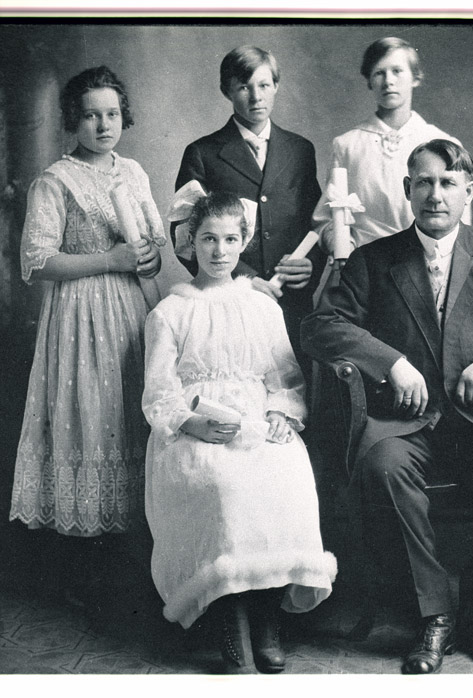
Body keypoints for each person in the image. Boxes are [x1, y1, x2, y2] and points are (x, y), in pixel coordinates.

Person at [302, 139, 473, 674]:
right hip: (407, 421)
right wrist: (390, 363)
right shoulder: (374, 259)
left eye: (448, 183)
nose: (435, 194)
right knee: (382, 467)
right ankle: (435, 614)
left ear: (468, 192)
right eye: (423, 182)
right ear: (407, 190)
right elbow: (322, 325)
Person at [142, 191, 337, 674]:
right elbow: (159, 392)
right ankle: (231, 620)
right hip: (195, 428)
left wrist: (281, 412)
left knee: (285, 472)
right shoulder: (172, 311)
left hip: (256, 420)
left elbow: (285, 376)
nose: (219, 251)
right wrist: (192, 421)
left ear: (244, 240)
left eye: (231, 239)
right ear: (190, 243)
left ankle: (267, 614)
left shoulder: (262, 306)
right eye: (208, 239)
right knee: (224, 486)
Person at [9, 65, 164, 598]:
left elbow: (149, 247)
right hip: (78, 318)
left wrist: (144, 260)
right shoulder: (55, 179)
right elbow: (37, 260)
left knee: (132, 418)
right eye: (92, 115)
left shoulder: (136, 173)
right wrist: (110, 258)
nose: (103, 125)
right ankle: (87, 572)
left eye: (112, 114)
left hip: (131, 311)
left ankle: (136, 565)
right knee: (90, 422)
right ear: (74, 119)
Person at [174, 45, 323, 373]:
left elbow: (317, 221)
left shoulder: (300, 150)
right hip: (230, 299)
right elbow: (185, 235)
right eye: (243, 87)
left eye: (264, 85)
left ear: (277, 87)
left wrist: (309, 266)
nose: (256, 97)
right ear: (226, 90)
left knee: (293, 394)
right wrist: (242, 279)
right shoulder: (203, 152)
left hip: (291, 302)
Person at [311, 37, 469, 261]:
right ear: (369, 81)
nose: (388, 81)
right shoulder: (347, 145)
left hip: (425, 264)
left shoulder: (442, 142)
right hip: (364, 266)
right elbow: (326, 219)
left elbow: (461, 222)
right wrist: (341, 243)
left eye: (397, 71)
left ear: (415, 77)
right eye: (379, 73)